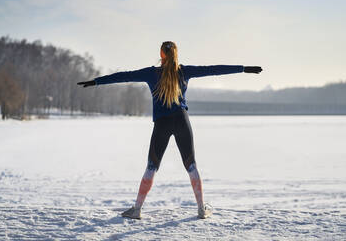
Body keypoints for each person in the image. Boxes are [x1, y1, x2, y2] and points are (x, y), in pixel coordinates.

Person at [77, 41, 262, 219]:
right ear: (176, 54)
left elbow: (123, 76)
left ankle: (137, 210)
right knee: (191, 166)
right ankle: (201, 209)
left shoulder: (151, 73)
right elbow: (213, 69)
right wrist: (244, 68)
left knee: (151, 166)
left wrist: (96, 82)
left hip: (162, 123)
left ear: (161, 54)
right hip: (182, 120)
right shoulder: (184, 71)